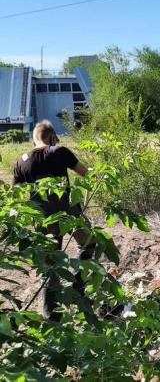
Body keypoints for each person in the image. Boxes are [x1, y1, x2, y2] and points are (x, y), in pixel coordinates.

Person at [12, 120, 92, 322]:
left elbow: (15, 195)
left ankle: (51, 317)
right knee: (89, 243)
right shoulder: (58, 151)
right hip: (69, 213)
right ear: (51, 137)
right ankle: (78, 287)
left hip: (42, 219)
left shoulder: (20, 162)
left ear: (35, 138)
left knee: (49, 267)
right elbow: (85, 173)